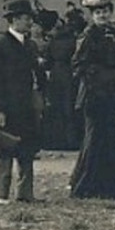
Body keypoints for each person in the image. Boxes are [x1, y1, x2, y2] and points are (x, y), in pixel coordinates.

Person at [68, 0, 115, 200]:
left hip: (112, 94)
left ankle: (111, 187)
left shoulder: (114, 33)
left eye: (105, 11)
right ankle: (84, 186)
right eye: (98, 12)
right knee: (94, 138)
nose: (102, 15)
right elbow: (78, 64)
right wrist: (100, 76)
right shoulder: (88, 35)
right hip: (95, 95)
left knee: (112, 137)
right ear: (92, 15)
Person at [0, 0, 42, 204]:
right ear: (15, 20)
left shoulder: (31, 46)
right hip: (7, 107)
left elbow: (36, 75)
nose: (30, 23)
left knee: (27, 150)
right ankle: (0, 193)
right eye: (26, 19)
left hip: (27, 106)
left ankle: (25, 193)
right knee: (4, 149)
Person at [40, 10, 78, 152]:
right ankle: (70, 140)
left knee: (55, 107)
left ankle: (55, 140)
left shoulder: (53, 41)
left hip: (56, 74)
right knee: (69, 106)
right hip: (68, 73)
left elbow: (47, 60)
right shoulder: (72, 40)